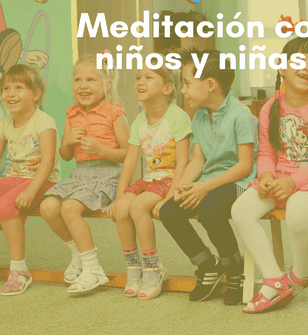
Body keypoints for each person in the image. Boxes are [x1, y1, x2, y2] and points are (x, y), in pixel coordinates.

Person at [232, 36, 308, 313]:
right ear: (282, 67)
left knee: (297, 214)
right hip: (279, 177)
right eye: (300, 60)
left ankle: (301, 274)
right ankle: (275, 279)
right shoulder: (269, 108)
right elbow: (267, 152)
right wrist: (265, 175)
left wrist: (294, 181)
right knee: (241, 210)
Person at [159, 48, 258, 306]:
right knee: (169, 211)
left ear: (210, 85)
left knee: (210, 210)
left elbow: (244, 166)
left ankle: (234, 267)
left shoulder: (242, 116)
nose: (183, 90)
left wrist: (204, 187)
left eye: (187, 83)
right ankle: (207, 265)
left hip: (238, 182)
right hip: (209, 182)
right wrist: (179, 189)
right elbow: (198, 161)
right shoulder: (200, 116)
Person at [40, 55, 129, 294]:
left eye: (91, 79)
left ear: (107, 84)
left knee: (69, 208)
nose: (83, 85)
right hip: (80, 174)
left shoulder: (114, 112)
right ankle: (78, 253)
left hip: (107, 174)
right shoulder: (72, 113)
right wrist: (67, 141)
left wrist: (102, 150)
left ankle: (92, 269)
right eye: (78, 80)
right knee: (48, 207)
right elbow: (66, 156)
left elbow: (129, 153)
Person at [108, 61, 191, 300]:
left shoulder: (178, 117)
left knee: (137, 206)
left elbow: (183, 162)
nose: (140, 82)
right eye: (138, 77)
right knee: (122, 207)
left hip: (169, 181)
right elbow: (130, 162)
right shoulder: (139, 121)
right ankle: (134, 266)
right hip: (149, 182)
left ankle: (153, 267)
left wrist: (169, 198)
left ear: (167, 88)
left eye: (148, 77)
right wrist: (119, 197)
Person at [0, 64, 59, 296]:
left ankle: (19, 270)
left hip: (42, 182)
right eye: (6, 88)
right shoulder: (5, 122)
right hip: (14, 179)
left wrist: (31, 191)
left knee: (5, 206)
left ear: (35, 94)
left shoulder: (44, 122)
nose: (10, 93)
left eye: (19, 87)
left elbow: (47, 162)